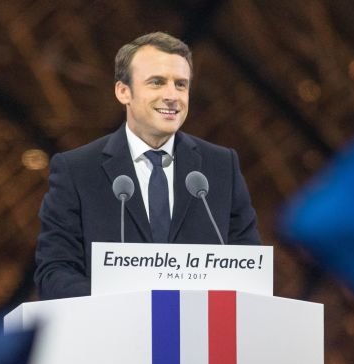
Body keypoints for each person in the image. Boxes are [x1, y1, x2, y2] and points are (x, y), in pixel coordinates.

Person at [34, 31, 261, 300]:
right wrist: (118, 302)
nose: (172, 96)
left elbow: (248, 268)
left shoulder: (221, 166)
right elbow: (54, 271)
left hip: (200, 333)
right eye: (157, 82)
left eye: (181, 84)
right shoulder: (77, 170)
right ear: (123, 91)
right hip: (111, 333)